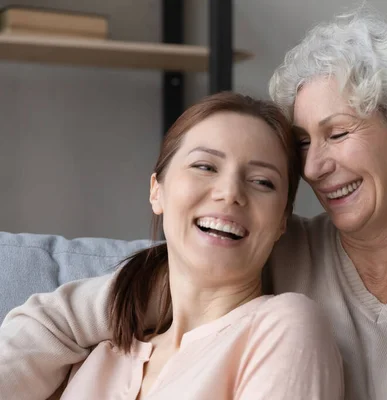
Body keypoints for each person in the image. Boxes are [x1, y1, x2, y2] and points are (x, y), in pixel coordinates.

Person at [0, 8, 387, 400]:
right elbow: (77, 316)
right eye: (305, 144)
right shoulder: (270, 241)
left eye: (337, 135)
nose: (312, 168)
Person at [1, 92, 344, 400]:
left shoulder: (285, 327)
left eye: (261, 182)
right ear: (157, 190)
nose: (229, 193)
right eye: (205, 166)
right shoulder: (100, 356)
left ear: (283, 220)